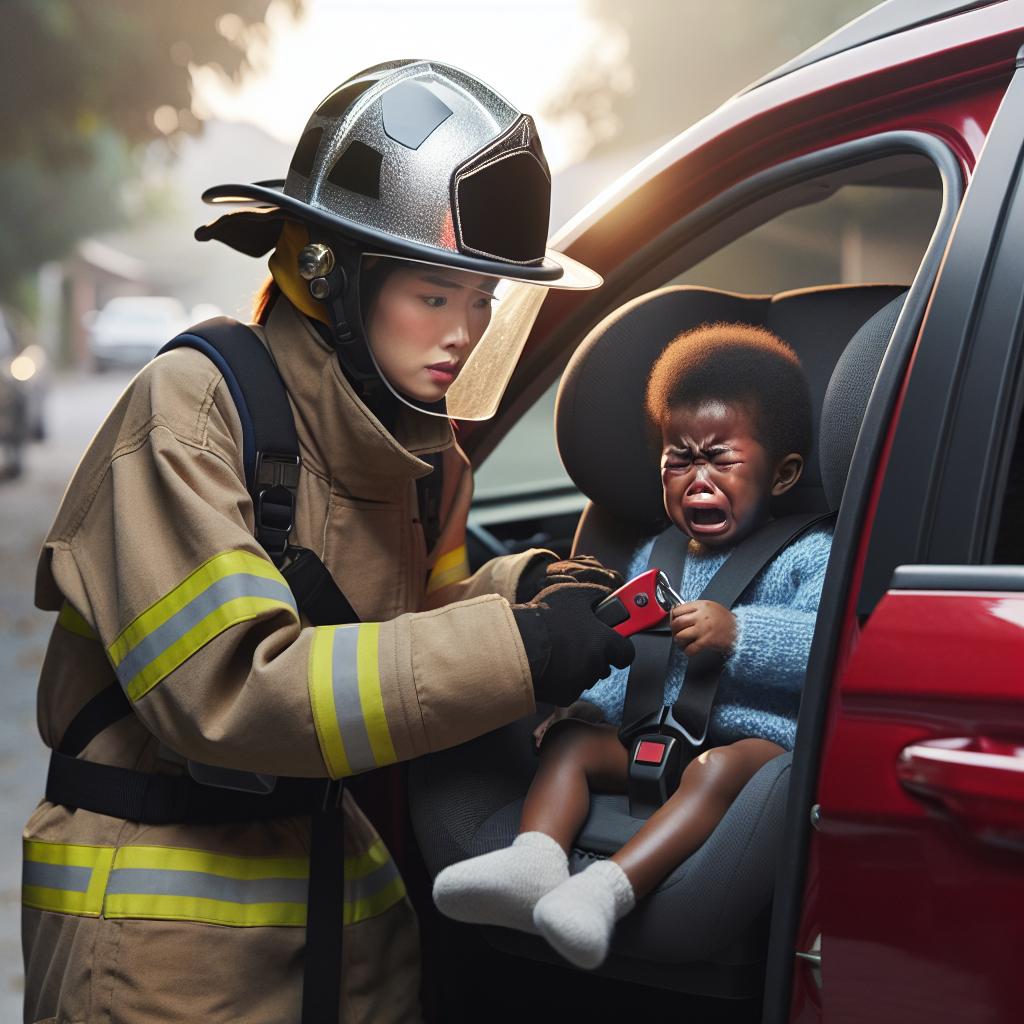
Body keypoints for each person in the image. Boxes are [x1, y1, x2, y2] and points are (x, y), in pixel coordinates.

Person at [21, 61, 634, 1024]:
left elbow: (404, 636)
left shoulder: (427, 460)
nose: (465, 334)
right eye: (435, 295)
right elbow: (235, 690)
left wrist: (524, 594)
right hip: (162, 956)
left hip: (350, 936)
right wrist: (522, 649)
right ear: (326, 273)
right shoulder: (191, 412)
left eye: (482, 303)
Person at [432, 321, 834, 970]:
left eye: (720, 459)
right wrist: (589, 707)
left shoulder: (806, 556)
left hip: (746, 745)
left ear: (783, 473)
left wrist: (740, 634)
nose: (697, 479)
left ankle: (606, 889)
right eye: (680, 458)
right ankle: (534, 861)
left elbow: (825, 646)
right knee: (570, 744)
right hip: (653, 734)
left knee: (722, 771)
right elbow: (632, 651)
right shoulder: (657, 553)